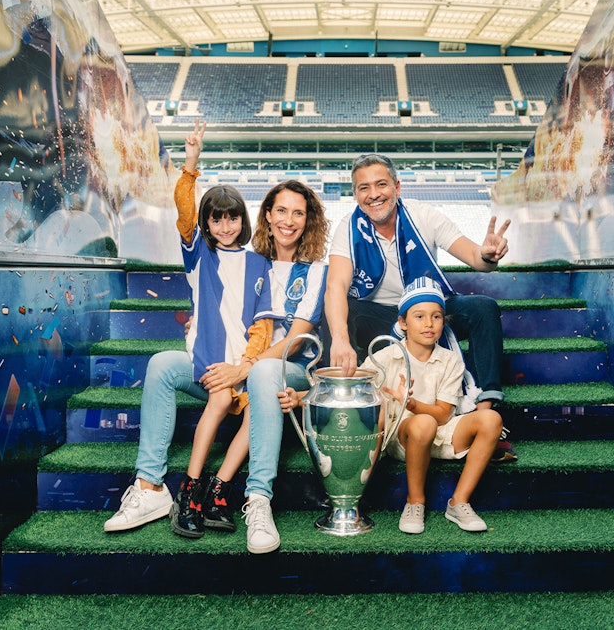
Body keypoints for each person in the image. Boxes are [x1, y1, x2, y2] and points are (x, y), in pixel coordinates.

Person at [104, 120, 276, 539]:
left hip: (246, 369)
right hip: (208, 363)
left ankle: (216, 491)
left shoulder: (260, 263)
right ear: (206, 224)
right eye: (216, 220)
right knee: (180, 375)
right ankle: (164, 488)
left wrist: (247, 364)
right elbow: (184, 206)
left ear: (243, 220)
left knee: (255, 399)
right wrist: (191, 163)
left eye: (232, 218)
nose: (225, 227)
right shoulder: (198, 254)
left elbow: (263, 324)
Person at [323, 152, 516, 459]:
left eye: (381, 184)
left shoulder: (424, 215)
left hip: (429, 306)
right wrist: (340, 340)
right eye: (363, 188)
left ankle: (483, 415)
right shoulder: (348, 227)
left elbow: (475, 257)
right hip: (381, 313)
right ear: (355, 193)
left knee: (483, 307)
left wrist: (488, 254)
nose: (373, 195)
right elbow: (336, 285)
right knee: (340, 313)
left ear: (397, 187)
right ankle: (351, 418)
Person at [280, 278, 502, 533]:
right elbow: (350, 384)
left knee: (491, 419)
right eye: (419, 317)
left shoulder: (450, 360)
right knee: (422, 423)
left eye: (437, 316)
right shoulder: (385, 357)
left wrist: (412, 403)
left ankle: (459, 501)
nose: (429, 324)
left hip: (440, 433)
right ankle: (415, 501)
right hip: (404, 437)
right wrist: (300, 396)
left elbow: (443, 415)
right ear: (403, 323)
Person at [241, 180, 330, 554]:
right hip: (242, 360)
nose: (288, 220)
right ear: (267, 214)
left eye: (298, 212)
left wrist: (243, 368)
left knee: (263, 372)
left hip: (291, 369)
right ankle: (150, 487)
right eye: (281, 210)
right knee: (165, 366)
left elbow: (295, 342)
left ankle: (258, 497)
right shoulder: (247, 264)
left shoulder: (315, 271)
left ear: (308, 221)